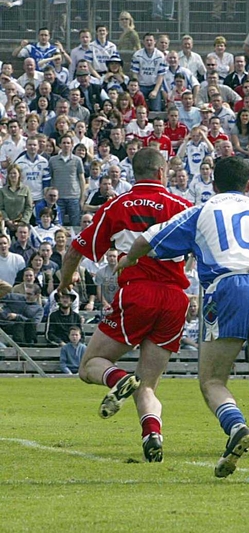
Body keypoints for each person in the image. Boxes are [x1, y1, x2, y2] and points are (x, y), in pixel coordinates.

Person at [119, 156, 249, 484]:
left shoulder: (204, 209)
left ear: (213, 185)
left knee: (212, 380)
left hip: (229, 285)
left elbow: (147, 239)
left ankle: (236, 427)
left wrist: (128, 261)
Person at [58, 148, 193, 463]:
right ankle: (152, 434)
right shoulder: (183, 207)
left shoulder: (117, 206)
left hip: (138, 294)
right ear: (162, 173)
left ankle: (118, 380)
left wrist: (65, 283)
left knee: (90, 364)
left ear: (135, 173)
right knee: (149, 385)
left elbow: (76, 251)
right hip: (175, 300)